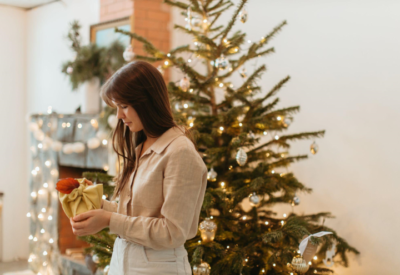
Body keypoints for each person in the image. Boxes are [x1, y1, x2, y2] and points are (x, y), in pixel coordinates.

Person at [70, 61, 208, 274]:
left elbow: (172, 231)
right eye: (117, 107)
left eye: (124, 106)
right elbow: (138, 214)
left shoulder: (180, 152)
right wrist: (100, 205)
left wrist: (109, 220)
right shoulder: (140, 145)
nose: (118, 116)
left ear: (148, 102)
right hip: (122, 262)